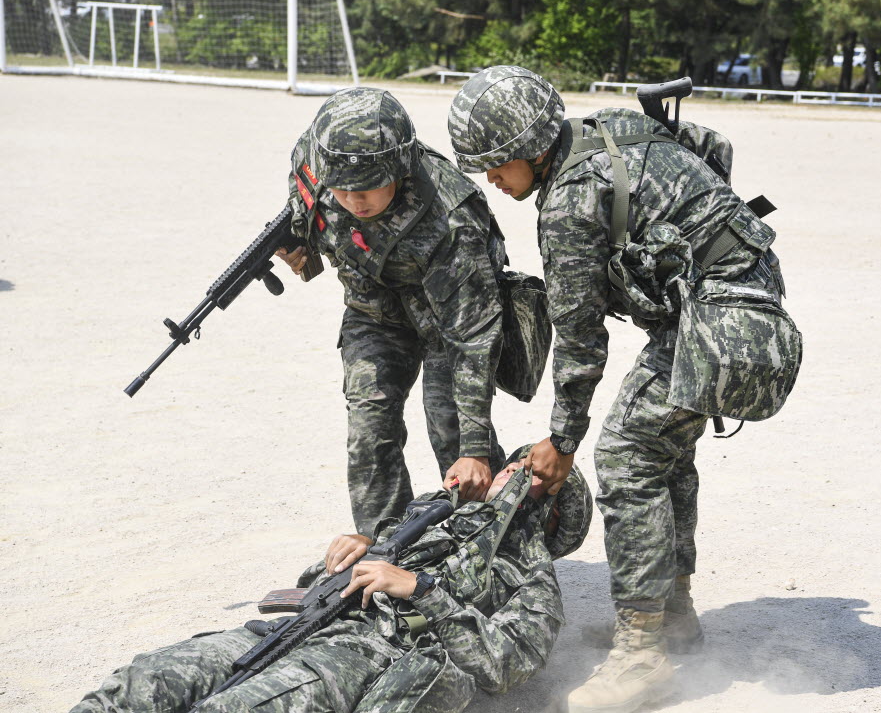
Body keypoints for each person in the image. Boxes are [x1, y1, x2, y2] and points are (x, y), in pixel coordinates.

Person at [448, 66, 801, 713]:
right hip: (743, 288)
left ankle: (644, 655)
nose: (491, 181)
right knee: (664, 451)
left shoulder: (568, 204)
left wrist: (561, 441)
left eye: (495, 165)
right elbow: (710, 148)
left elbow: (581, 340)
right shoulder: (607, 131)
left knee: (626, 455)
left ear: (528, 149)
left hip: (724, 317)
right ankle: (673, 618)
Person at [70, 452, 593, 713]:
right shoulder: (431, 519)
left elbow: (507, 663)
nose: (512, 473)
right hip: (294, 628)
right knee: (143, 682)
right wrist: (350, 554)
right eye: (516, 464)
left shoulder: (530, 575)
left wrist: (422, 592)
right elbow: (313, 585)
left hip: (367, 650)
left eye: (531, 476)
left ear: (551, 515)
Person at [275, 87, 508, 535]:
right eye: (340, 188)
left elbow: (474, 335)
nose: (352, 200)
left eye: (366, 189)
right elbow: (305, 212)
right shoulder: (314, 159)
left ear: (399, 169)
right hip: (374, 311)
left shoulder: (451, 215)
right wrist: (301, 247)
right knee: (368, 428)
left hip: (448, 324)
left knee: (452, 433)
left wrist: (476, 447)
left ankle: (493, 547)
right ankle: (385, 546)